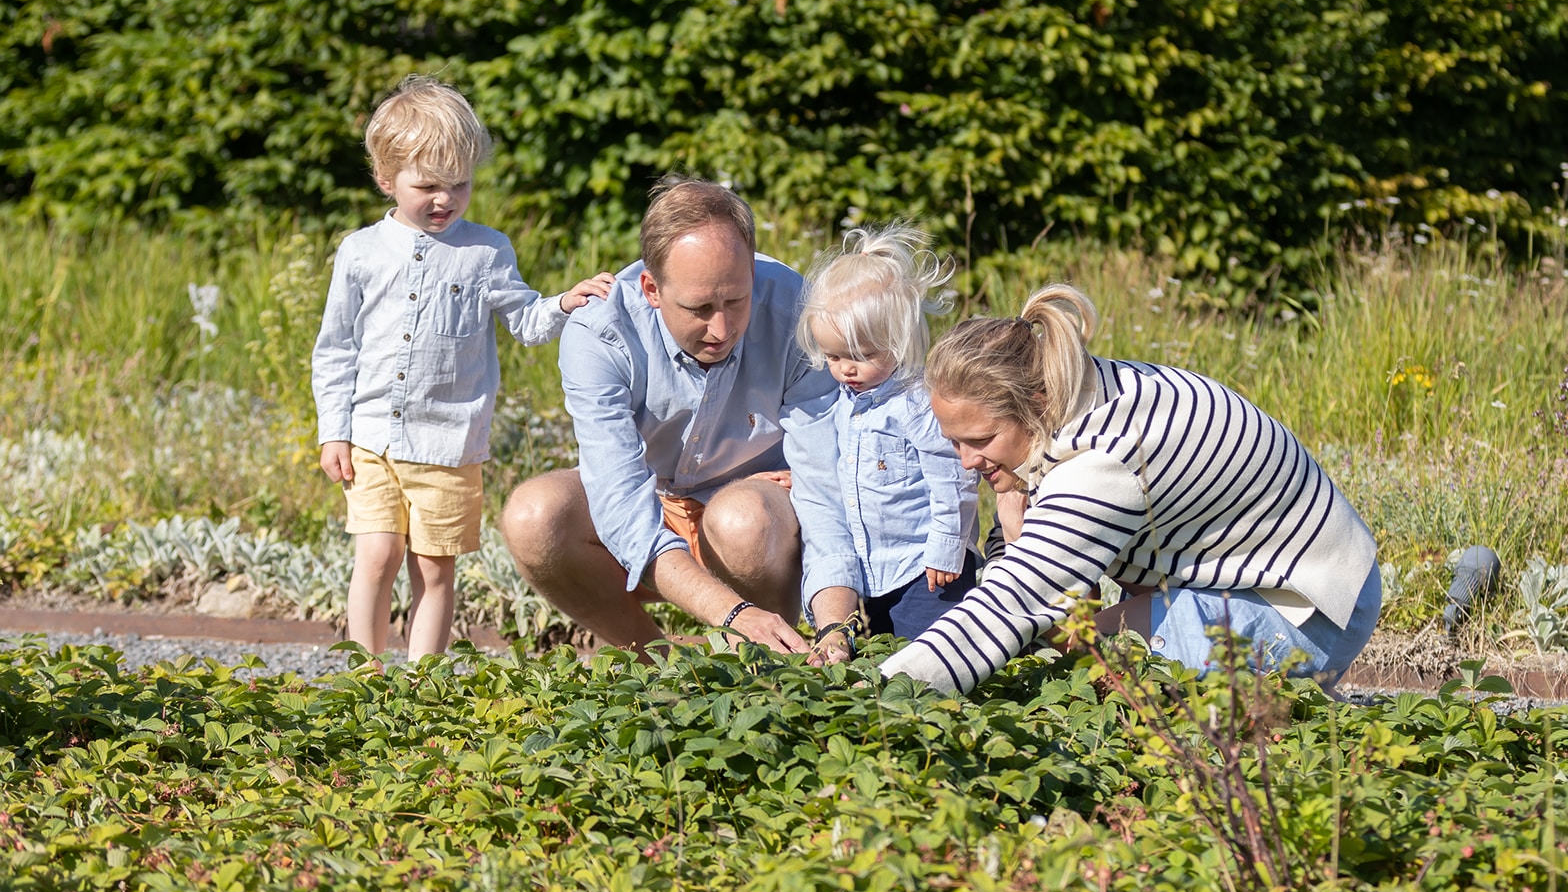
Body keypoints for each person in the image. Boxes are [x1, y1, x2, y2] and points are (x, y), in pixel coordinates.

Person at [879, 283, 1381, 696]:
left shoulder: (1102, 462)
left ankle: (1281, 694)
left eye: (981, 440)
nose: (967, 462)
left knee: (1089, 664)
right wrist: (1014, 515)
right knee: (1075, 640)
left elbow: (1015, 604)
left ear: (1036, 400)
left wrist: (885, 694)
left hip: (1313, 612)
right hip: (1285, 578)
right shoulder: (1089, 389)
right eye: (956, 444)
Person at [499, 178, 864, 655]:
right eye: (700, 308)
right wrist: (733, 613)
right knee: (534, 516)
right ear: (652, 288)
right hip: (655, 495)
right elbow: (622, 507)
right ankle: (660, 661)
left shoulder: (798, 309)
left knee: (741, 520)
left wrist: (837, 624)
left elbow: (823, 486)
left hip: (761, 512)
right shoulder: (601, 331)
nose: (723, 327)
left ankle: (776, 664)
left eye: (737, 300)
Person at [311, 74, 609, 658]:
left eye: (460, 185)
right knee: (376, 556)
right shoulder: (360, 252)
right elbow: (335, 348)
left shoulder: (487, 250)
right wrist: (334, 430)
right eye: (428, 186)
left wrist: (565, 304)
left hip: (448, 445)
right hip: (371, 438)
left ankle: (423, 683)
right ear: (386, 179)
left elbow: (525, 321)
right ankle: (362, 679)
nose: (445, 199)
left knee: (435, 569)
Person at [794, 224, 979, 651]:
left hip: (927, 568)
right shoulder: (846, 402)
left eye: (861, 356)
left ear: (899, 341)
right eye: (834, 356)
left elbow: (954, 479)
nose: (845, 370)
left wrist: (947, 547)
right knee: (886, 654)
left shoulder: (916, 405)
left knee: (931, 655)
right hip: (876, 568)